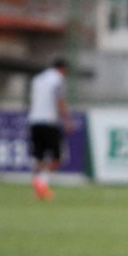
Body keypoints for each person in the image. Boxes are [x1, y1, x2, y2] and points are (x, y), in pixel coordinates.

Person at [28, 58, 72, 200]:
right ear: (62, 69)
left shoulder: (37, 79)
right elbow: (59, 100)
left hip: (34, 121)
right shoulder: (57, 79)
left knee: (39, 158)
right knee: (58, 157)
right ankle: (40, 183)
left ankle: (38, 191)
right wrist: (67, 120)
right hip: (49, 121)